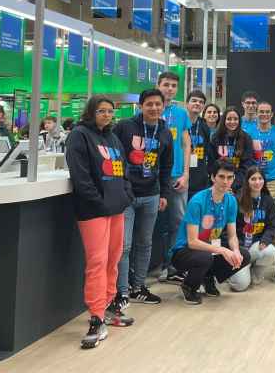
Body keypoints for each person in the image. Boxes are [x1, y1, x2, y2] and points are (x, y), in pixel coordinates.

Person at [65, 96, 135, 348]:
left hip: (116, 208)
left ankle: (108, 306)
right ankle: (96, 317)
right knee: (97, 261)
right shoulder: (79, 135)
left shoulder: (113, 138)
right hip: (92, 211)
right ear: (91, 112)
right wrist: (98, 201)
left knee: (113, 259)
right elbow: (80, 176)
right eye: (101, 111)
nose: (106, 115)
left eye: (110, 111)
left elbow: (123, 169)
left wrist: (126, 195)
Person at [113, 89, 174, 307]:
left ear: (163, 106)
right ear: (141, 106)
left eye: (158, 104)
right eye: (149, 104)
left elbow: (166, 166)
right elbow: (114, 156)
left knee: (145, 243)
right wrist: (120, 187)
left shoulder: (165, 132)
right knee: (124, 245)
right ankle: (121, 292)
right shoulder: (124, 127)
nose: (154, 108)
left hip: (152, 194)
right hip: (127, 195)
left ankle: (139, 286)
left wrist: (165, 193)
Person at [170, 161, 251, 305]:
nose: (225, 182)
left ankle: (208, 277)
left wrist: (236, 250)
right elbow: (192, 241)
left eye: (229, 177)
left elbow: (232, 235)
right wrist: (222, 250)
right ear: (213, 177)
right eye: (221, 177)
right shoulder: (198, 201)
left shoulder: (231, 201)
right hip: (184, 251)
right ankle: (188, 286)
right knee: (206, 257)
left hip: (209, 248)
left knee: (244, 255)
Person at [156, 72, 192, 284]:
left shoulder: (181, 114)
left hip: (177, 176)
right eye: (166, 85)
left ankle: (173, 266)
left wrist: (186, 173)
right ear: (158, 85)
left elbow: (186, 144)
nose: (169, 89)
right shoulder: (151, 109)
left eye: (173, 86)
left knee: (178, 222)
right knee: (153, 223)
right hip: (153, 178)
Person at [229, 166, 275, 291]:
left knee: (271, 252)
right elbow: (229, 227)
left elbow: (272, 225)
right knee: (240, 285)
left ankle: (254, 271)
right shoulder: (237, 199)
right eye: (253, 179)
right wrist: (235, 248)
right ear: (247, 181)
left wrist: (265, 240)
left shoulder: (268, 200)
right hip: (239, 248)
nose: (257, 182)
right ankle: (238, 270)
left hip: (255, 245)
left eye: (260, 178)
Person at [208, 107, 254, 192]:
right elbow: (212, 164)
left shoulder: (246, 138)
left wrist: (233, 185)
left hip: (239, 185)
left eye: (235, 119)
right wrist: (221, 183)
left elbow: (247, 165)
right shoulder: (215, 138)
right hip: (219, 184)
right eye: (229, 119)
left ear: (239, 121)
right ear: (224, 121)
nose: (232, 122)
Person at [250, 102, 275, 198]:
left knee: (274, 210)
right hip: (253, 179)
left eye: (267, 112)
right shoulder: (249, 133)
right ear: (256, 114)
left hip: (274, 181)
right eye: (261, 112)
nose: (264, 114)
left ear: (272, 114)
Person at [185, 91, 212, 201]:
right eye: (194, 101)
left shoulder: (204, 126)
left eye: (201, 102)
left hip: (200, 177)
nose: (197, 103)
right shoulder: (181, 122)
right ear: (187, 104)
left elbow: (207, 151)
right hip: (183, 174)